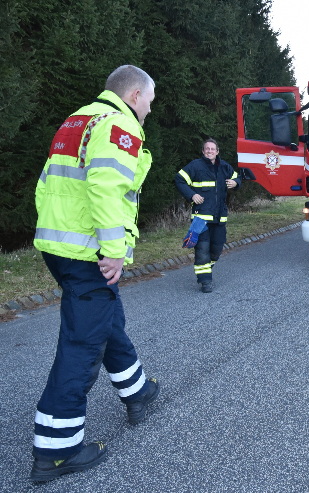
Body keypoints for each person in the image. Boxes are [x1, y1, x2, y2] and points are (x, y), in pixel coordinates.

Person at [31, 65, 160, 482]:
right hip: (90, 250)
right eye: (150, 103)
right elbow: (106, 188)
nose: (149, 112)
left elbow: (46, 183)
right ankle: (57, 450)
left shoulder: (79, 118)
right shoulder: (120, 125)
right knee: (82, 343)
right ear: (136, 95)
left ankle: (137, 391)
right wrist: (114, 249)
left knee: (106, 319)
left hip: (60, 245)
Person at [175, 139, 241, 293]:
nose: (210, 151)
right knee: (202, 249)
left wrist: (236, 183)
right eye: (207, 149)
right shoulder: (195, 166)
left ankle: (204, 268)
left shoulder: (224, 166)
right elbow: (179, 180)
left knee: (216, 250)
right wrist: (192, 195)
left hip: (220, 217)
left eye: (213, 149)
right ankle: (205, 281)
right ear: (203, 151)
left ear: (217, 151)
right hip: (201, 217)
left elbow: (237, 178)